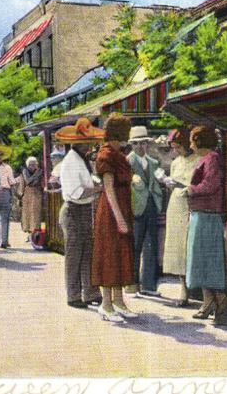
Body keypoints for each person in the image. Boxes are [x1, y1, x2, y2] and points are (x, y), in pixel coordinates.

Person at [55, 118, 105, 309]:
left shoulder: (82, 160)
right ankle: (73, 294)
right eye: (86, 143)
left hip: (83, 209)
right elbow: (78, 191)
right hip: (73, 209)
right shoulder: (71, 162)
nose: (89, 146)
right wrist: (98, 189)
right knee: (75, 255)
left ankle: (89, 292)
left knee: (87, 252)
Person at [92, 113, 137, 323]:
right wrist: (119, 219)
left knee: (120, 254)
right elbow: (108, 190)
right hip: (111, 211)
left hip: (122, 207)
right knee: (110, 255)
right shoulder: (106, 155)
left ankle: (119, 301)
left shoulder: (119, 154)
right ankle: (106, 303)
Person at [185, 126, 227, 325]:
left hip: (207, 215)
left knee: (206, 260)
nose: (190, 144)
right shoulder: (209, 158)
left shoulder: (211, 158)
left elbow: (211, 185)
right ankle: (208, 301)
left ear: (199, 141)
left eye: (192, 140)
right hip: (202, 214)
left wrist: (190, 190)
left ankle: (219, 299)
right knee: (200, 260)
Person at [162, 128, 201, 307]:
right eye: (174, 148)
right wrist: (168, 182)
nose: (176, 151)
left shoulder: (198, 160)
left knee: (191, 246)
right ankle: (183, 290)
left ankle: (197, 289)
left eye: (179, 147)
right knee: (178, 248)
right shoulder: (176, 162)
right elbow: (173, 183)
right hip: (176, 204)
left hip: (191, 204)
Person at [126, 125, 163, 297]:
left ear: (147, 144)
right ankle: (132, 284)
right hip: (135, 208)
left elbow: (157, 184)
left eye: (143, 143)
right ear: (131, 145)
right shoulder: (128, 162)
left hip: (152, 207)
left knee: (151, 245)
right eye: (136, 144)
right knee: (134, 246)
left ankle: (148, 285)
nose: (140, 147)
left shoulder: (154, 163)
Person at [0, 142, 17, 248]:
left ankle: (4, 241)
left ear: (2, 157)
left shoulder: (7, 167)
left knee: (5, 218)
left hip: (5, 192)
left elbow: (12, 182)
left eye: (0, 155)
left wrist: (13, 197)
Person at [20, 157, 44, 242]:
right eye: (30, 164)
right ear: (27, 165)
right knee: (27, 216)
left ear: (37, 164)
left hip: (37, 194)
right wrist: (21, 194)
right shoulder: (24, 172)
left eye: (34, 164)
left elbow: (42, 184)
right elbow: (24, 182)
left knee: (36, 216)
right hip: (27, 195)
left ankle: (35, 235)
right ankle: (29, 235)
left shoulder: (40, 172)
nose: (32, 166)